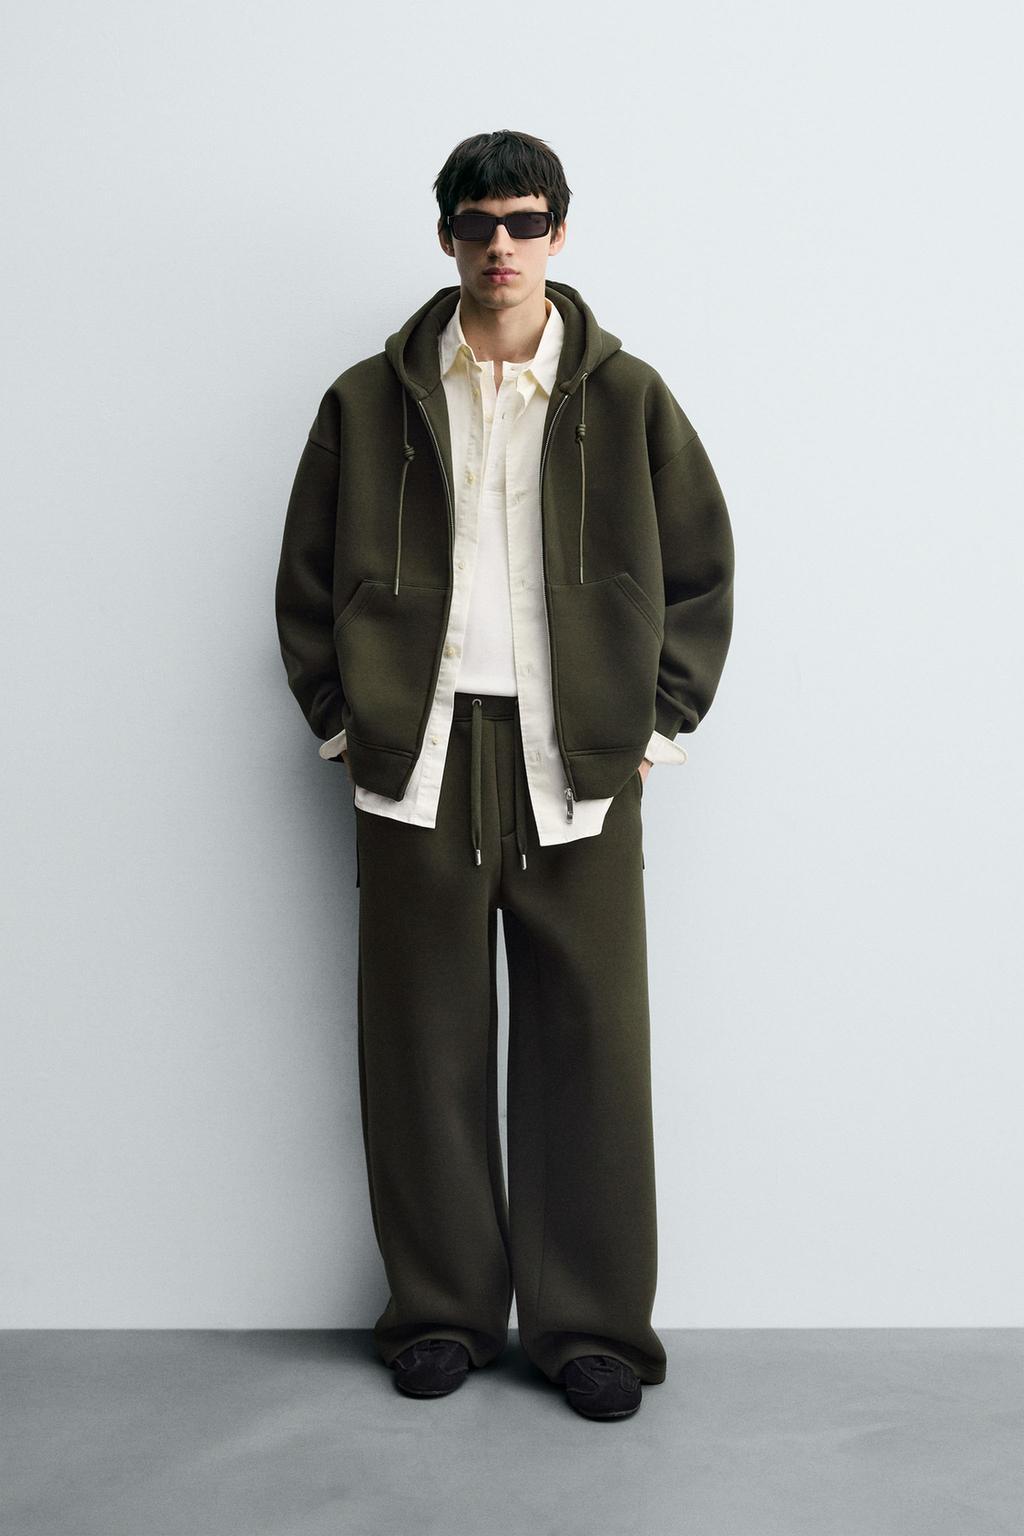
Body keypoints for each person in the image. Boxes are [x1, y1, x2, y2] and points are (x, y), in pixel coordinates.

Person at [275, 129, 735, 1420]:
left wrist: (654, 727)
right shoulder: (367, 402)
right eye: (478, 225)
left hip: (576, 760)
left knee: (594, 1044)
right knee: (419, 1045)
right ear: (447, 237)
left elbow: (701, 572)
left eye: (525, 223)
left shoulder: (628, 397)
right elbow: (305, 580)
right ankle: (442, 1312)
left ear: (558, 234)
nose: (501, 247)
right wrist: (345, 726)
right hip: (417, 757)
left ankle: (590, 1328)